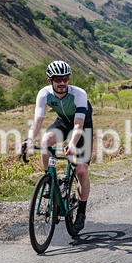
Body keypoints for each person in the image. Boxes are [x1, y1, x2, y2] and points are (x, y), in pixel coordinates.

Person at [22, 61, 93, 231]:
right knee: (46, 140)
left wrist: (73, 144)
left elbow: (78, 126)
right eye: (58, 79)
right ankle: (49, 179)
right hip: (63, 121)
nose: (62, 83)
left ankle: (81, 212)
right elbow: (37, 122)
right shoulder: (44, 94)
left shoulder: (79, 94)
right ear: (50, 80)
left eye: (65, 79)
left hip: (82, 125)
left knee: (81, 171)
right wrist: (28, 140)